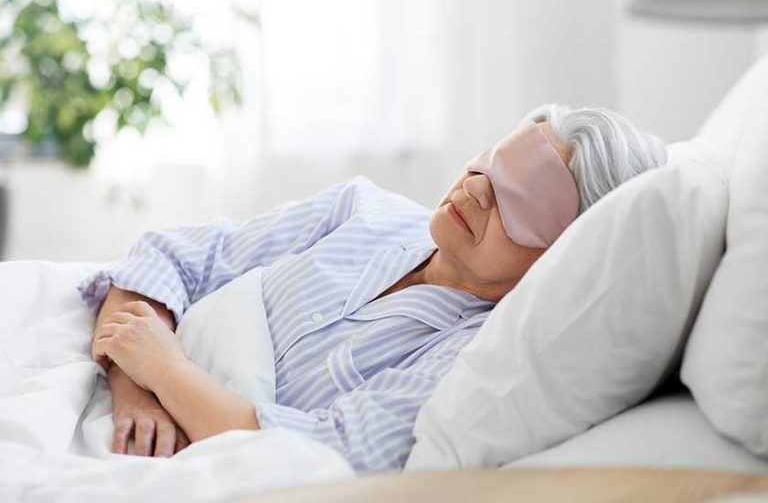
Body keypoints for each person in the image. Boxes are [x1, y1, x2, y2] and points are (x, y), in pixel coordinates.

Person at [78, 104, 667, 471]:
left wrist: (166, 369)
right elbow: (171, 257)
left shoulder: (477, 359)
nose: (478, 188)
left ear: (565, 253)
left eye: (521, 197)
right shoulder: (361, 209)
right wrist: (136, 390)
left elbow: (321, 455)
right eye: (489, 162)